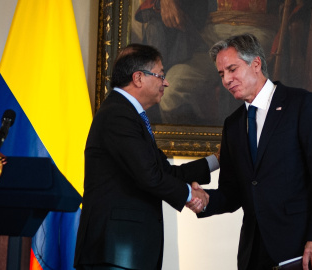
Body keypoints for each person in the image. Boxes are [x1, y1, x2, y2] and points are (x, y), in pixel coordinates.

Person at [188, 34, 312, 270]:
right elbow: (232, 192)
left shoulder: (302, 104)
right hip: (253, 253)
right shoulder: (233, 124)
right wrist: (206, 200)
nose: (227, 80)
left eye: (232, 69)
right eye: (221, 74)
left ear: (256, 64)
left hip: (301, 248)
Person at [74, 44, 219, 270]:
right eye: (161, 75)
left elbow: (165, 171)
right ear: (139, 78)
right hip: (114, 251)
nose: (166, 82)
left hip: (126, 250)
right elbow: (149, 176)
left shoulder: (128, 114)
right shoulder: (118, 115)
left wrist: (217, 160)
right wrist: (191, 195)